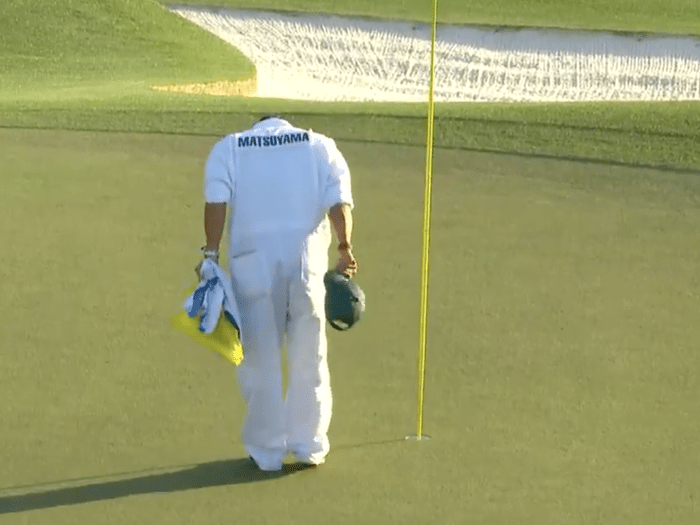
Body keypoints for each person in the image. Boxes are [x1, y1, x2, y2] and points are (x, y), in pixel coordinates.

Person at [197, 115, 357, 471]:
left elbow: (216, 201)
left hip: (252, 263)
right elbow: (339, 202)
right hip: (306, 262)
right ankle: (309, 444)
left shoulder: (231, 147)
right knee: (309, 354)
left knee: (260, 358)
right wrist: (345, 247)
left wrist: (210, 255)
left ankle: (267, 451)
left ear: (258, 126)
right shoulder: (319, 146)